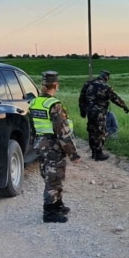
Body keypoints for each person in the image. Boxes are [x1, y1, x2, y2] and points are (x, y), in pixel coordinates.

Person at [30, 71, 81, 223]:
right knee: (53, 178)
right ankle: (49, 213)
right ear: (56, 85)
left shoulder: (34, 102)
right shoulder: (54, 105)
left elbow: (32, 126)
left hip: (40, 145)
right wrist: (73, 154)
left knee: (50, 174)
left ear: (43, 85)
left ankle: (58, 204)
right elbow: (62, 132)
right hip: (53, 146)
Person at [78, 70, 129, 161]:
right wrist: (124, 107)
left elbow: (82, 98)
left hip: (90, 111)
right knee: (100, 131)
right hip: (100, 112)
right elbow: (115, 98)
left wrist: (83, 111)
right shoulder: (106, 86)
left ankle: (94, 152)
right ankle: (99, 153)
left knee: (91, 130)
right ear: (106, 78)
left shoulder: (88, 83)